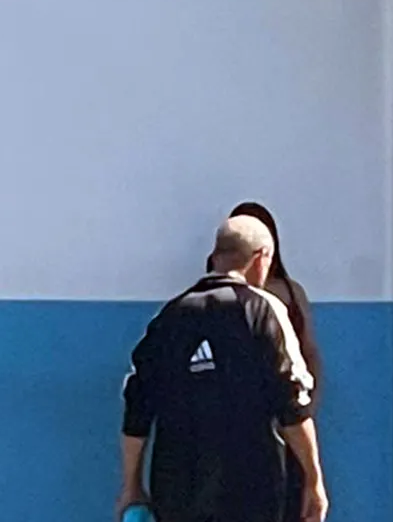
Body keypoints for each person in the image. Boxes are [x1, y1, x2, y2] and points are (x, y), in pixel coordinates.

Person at [118, 215, 328, 522]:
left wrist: (132, 486)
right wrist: (313, 480)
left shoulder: (169, 316)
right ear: (261, 258)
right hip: (249, 485)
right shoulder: (263, 310)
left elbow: (137, 407)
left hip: (176, 486)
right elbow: (292, 401)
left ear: (215, 257)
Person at [224, 202, 322, 522]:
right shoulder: (220, 300)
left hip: (284, 416)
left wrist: (306, 410)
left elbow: (309, 354)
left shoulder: (290, 293)